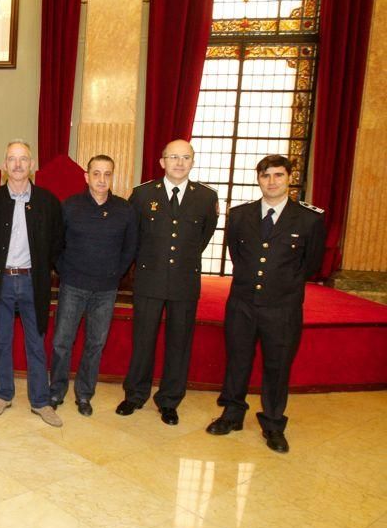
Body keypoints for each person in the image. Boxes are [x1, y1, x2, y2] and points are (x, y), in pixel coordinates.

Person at [206, 155, 325, 453]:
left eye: (278, 176)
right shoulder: (240, 215)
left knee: (277, 366)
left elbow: (311, 265)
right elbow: (237, 255)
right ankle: (232, 414)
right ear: (258, 178)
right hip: (243, 303)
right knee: (238, 361)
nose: (271, 182)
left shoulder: (310, 218)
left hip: (282, 307)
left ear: (289, 179)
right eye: (266, 175)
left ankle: (273, 423)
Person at [117, 139, 218, 425]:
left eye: (186, 157)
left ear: (193, 162)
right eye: (173, 157)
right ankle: (135, 394)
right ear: (162, 161)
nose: (179, 163)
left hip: (185, 281)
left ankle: (170, 400)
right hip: (149, 279)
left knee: (179, 343)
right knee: (143, 341)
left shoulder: (206, 198)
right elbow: (133, 237)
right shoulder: (142, 194)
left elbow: (203, 237)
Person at [0, 141, 64, 427]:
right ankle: (3, 394)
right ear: (4, 165)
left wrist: (42, 268)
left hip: (32, 281)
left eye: (23, 159)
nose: (17, 165)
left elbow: (56, 243)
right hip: (0, 282)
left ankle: (41, 401)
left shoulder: (48, 202)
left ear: (32, 165)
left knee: (36, 343)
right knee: (2, 340)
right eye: (12, 159)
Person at [50, 154, 137, 416]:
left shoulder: (125, 210)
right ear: (86, 177)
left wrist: (114, 274)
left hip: (106, 289)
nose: (101, 179)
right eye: (96, 173)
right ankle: (56, 390)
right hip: (73, 285)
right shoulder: (69, 206)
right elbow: (56, 245)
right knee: (62, 342)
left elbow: (130, 248)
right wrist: (67, 272)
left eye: (107, 174)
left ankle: (85, 395)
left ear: (113, 177)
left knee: (95, 344)